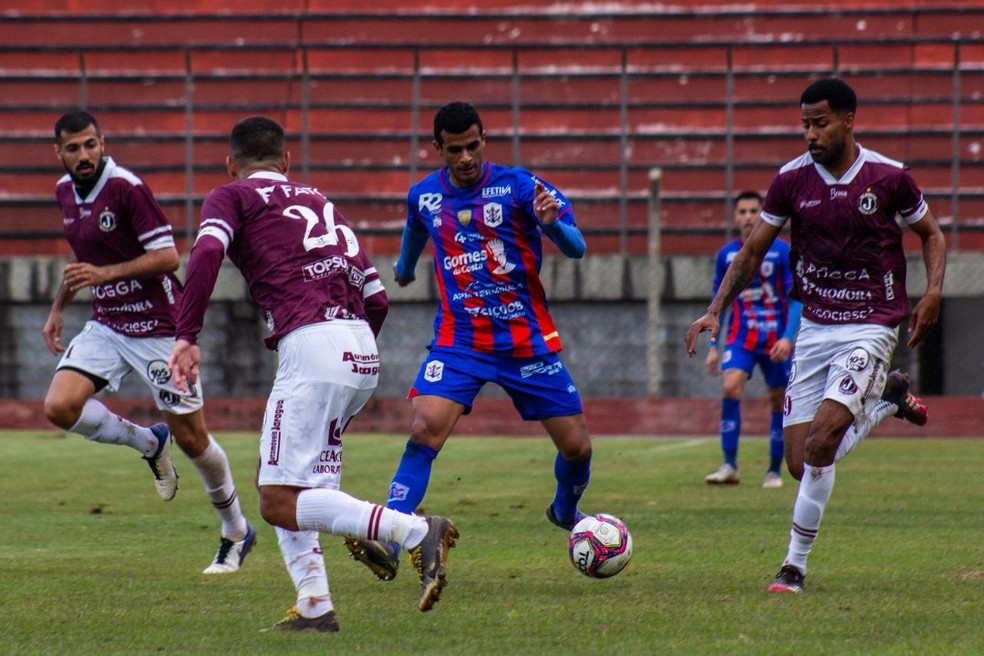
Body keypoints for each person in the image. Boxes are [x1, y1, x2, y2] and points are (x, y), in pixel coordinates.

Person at [167, 115, 458, 632]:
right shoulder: (320, 200)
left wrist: (187, 334)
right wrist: (352, 354)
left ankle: (412, 531)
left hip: (312, 345)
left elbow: (207, 251)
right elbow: (377, 297)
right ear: (286, 161)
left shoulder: (230, 196)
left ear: (232, 165)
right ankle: (314, 605)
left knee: (277, 499)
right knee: (291, 486)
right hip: (359, 346)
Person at [685, 77, 945, 593]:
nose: (810, 133)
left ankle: (793, 567)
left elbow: (931, 234)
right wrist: (715, 310)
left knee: (824, 441)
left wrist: (933, 292)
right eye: (804, 123)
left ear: (849, 119)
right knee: (801, 462)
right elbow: (753, 251)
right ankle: (888, 400)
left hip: (871, 323)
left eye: (820, 122)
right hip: (816, 325)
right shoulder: (790, 180)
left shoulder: (889, 177)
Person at [344, 100, 593, 582]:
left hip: (526, 342)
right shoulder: (423, 195)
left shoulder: (521, 185)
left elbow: (577, 247)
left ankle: (564, 512)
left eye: (473, 146)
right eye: (454, 149)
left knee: (577, 448)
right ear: (437, 149)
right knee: (424, 430)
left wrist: (551, 225)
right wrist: (404, 266)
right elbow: (417, 228)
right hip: (461, 341)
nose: (465, 157)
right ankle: (393, 537)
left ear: (484, 140)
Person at [44, 110, 254, 575]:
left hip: (159, 326)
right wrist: (60, 306)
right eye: (73, 148)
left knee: (194, 439)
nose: (84, 155)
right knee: (59, 407)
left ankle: (236, 531)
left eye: (90, 145)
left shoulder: (126, 188)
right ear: (57, 152)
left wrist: (104, 275)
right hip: (107, 324)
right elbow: (85, 257)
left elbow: (167, 257)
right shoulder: (65, 192)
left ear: (103, 142)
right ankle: (147, 442)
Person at [703, 191, 802, 488]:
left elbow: (796, 298)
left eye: (752, 211)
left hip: (775, 339)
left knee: (777, 399)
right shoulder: (726, 256)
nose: (748, 217)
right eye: (742, 212)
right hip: (741, 336)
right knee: (730, 385)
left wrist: (787, 338)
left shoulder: (783, 252)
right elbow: (717, 301)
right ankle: (729, 465)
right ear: (736, 217)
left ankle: (773, 470)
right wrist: (712, 347)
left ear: (763, 214)